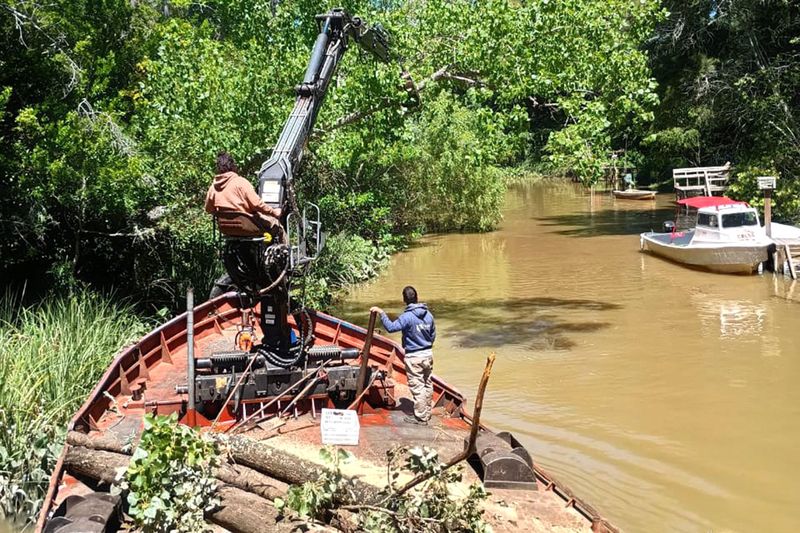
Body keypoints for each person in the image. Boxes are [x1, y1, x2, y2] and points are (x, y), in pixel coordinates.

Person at [371, 286, 435, 425]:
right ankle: (427, 412)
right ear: (417, 297)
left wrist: (381, 313)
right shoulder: (428, 315)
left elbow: (391, 327)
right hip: (428, 355)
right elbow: (433, 335)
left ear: (404, 299)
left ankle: (421, 417)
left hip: (414, 356)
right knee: (427, 383)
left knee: (417, 386)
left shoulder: (407, 317)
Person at [204, 152, 282, 231]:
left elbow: (208, 209)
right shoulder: (241, 183)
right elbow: (257, 204)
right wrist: (273, 212)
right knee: (277, 225)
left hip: (226, 229)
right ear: (233, 166)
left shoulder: (213, 187)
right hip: (247, 227)